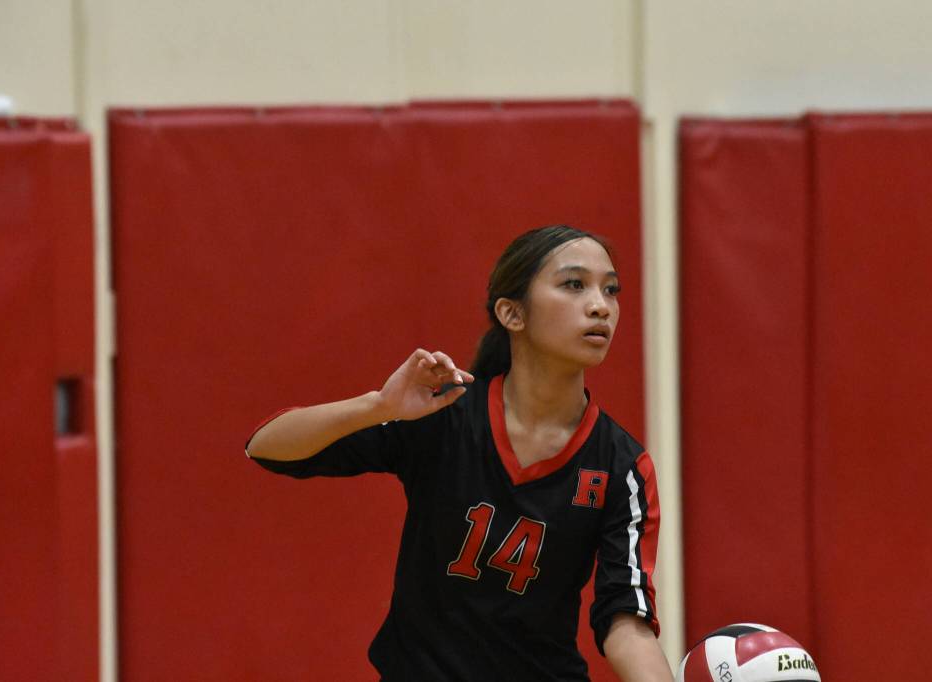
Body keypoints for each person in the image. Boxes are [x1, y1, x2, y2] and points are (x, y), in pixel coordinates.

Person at [246, 225, 674, 681]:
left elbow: (626, 621)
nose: (600, 306)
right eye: (574, 284)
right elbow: (267, 447)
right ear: (512, 313)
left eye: (611, 290)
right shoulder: (444, 416)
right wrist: (379, 407)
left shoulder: (621, 466)